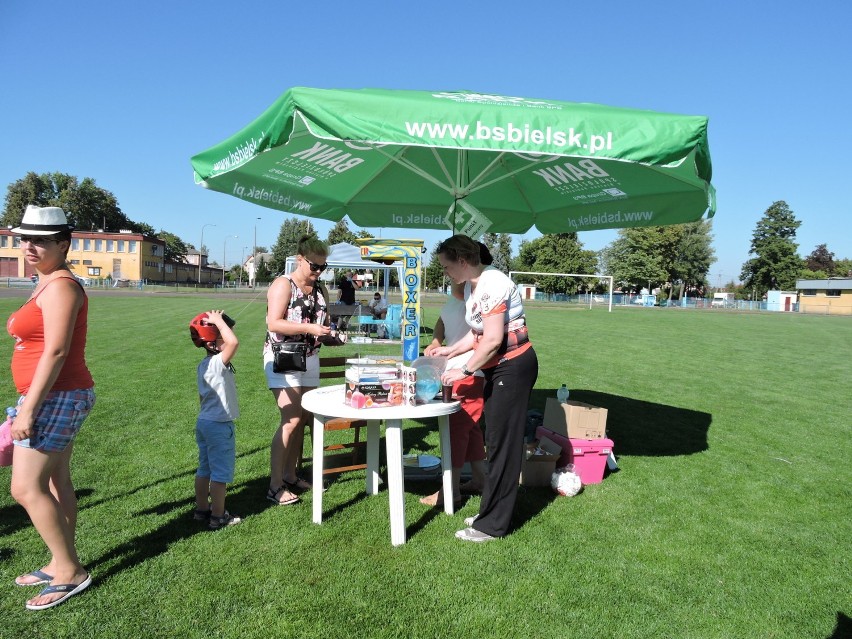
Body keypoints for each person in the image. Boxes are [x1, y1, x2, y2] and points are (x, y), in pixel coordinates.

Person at [6, 206, 96, 610]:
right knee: (58, 481)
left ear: (63, 244)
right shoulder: (45, 282)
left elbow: (56, 350)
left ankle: (70, 571)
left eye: (41, 239)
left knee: (25, 487)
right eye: (26, 238)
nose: (30, 245)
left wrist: (28, 410)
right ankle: (60, 561)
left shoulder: (61, 286)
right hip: (54, 394)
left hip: (57, 395)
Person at [431, 234, 538, 542]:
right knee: (495, 439)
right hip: (500, 369)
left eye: (447, 266)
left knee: (503, 447)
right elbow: (477, 335)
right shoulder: (474, 286)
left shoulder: (493, 284)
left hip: (513, 368)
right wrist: (450, 351)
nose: (446, 273)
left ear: (463, 262)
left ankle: (493, 526)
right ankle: (489, 511)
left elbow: (492, 341)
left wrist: (463, 370)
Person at [264, 235, 332, 506]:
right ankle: (274, 485)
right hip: (283, 358)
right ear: (299, 260)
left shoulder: (320, 289)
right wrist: (309, 328)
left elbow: (323, 322)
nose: (318, 272)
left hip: (310, 358)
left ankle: (290, 475)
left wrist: (330, 334)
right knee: (290, 420)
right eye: (314, 266)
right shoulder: (284, 284)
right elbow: (274, 323)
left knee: (303, 419)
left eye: (323, 267)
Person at [420, 279, 487, 507]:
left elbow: (483, 337)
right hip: (452, 370)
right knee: (470, 428)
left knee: (456, 430)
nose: (448, 277)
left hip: (469, 372)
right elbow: (441, 320)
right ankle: (480, 479)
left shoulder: (476, 299)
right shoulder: (454, 298)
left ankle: (450, 490)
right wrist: (436, 341)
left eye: (451, 270)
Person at [189, 310, 241, 530]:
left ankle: (202, 509)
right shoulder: (218, 363)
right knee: (220, 473)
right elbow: (234, 342)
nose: (227, 335)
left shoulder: (204, 364)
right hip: (219, 426)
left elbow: (228, 340)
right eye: (221, 334)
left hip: (205, 423)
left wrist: (219, 325)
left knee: (205, 469)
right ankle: (218, 516)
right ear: (211, 344)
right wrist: (219, 321)